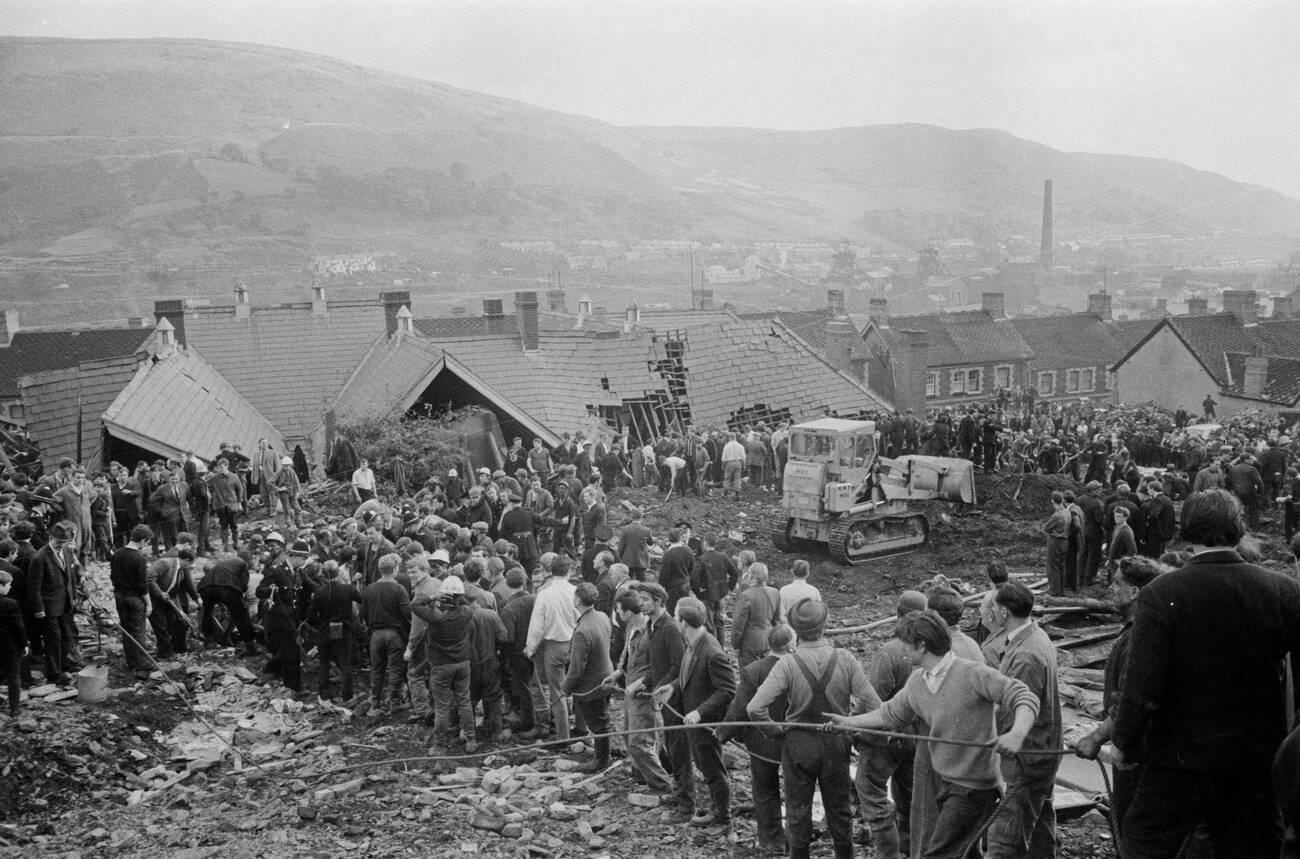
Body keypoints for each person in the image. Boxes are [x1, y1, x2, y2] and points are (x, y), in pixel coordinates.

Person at [1112, 488, 1300, 858]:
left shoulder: (1162, 592)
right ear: (1239, 529)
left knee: (1145, 844)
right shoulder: (1282, 590)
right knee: (1252, 848)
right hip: (1254, 760)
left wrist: (1125, 743)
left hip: (1178, 758)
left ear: (1188, 529)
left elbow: (1143, 687)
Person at [828, 610, 1040, 859]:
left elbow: (1024, 696)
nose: (902, 650)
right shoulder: (918, 681)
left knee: (939, 853)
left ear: (922, 646)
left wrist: (1017, 733)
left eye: (906, 645)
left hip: (974, 788)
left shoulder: (972, 673)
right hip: (945, 782)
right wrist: (848, 722)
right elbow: (889, 714)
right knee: (966, 851)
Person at [748, 598, 881, 859]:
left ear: (796, 630)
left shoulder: (787, 663)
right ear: (826, 624)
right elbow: (874, 702)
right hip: (835, 743)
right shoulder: (845, 659)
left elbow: (754, 708)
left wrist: (776, 732)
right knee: (839, 809)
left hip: (798, 744)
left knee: (797, 810)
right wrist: (851, 722)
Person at [1073, 555, 1165, 839]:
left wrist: (1095, 738)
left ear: (1135, 591)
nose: (1110, 590)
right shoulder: (1139, 632)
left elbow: (1128, 699)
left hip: (1136, 754)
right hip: (1135, 749)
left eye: (1116, 584)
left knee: (1133, 832)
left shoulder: (1140, 638)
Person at [983, 581, 1062, 859]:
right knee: (1039, 825)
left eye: (993, 606)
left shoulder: (1026, 654)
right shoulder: (1034, 636)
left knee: (1004, 837)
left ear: (1004, 612)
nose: (991, 611)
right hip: (1042, 751)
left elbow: (1014, 710)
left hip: (1027, 755)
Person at [653, 597, 735, 833]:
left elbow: (728, 690)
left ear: (684, 622)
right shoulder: (692, 643)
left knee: (712, 769)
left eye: (676, 617)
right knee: (704, 765)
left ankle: (723, 817)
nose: (674, 620)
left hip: (706, 723)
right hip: (694, 721)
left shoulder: (711, 650)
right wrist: (673, 687)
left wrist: (700, 712)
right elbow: (688, 676)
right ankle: (716, 810)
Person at [856, 590, 927, 859]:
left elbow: (871, 697)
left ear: (898, 615)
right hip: (915, 736)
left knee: (870, 788)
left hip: (887, 735)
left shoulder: (890, 652)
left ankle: (888, 852)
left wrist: (858, 733)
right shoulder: (931, 648)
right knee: (908, 794)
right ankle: (910, 846)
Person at [719, 623, 793, 856]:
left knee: (764, 789)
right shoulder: (799, 667)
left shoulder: (753, 670)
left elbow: (740, 708)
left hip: (762, 741)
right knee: (797, 789)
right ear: (790, 644)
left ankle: (771, 840)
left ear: (768, 645)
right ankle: (797, 838)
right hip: (794, 740)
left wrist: (722, 734)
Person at [603, 586, 674, 792]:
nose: (617, 614)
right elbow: (627, 657)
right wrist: (617, 674)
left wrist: (643, 682)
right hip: (630, 690)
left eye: (619, 610)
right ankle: (647, 772)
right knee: (629, 734)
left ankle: (662, 784)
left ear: (629, 611)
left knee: (639, 741)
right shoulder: (630, 628)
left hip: (644, 693)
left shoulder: (651, 631)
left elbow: (659, 665)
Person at [525, 556, 578, 744]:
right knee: (574, 686)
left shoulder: (545, 594)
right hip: (575, 642)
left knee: (557, 691)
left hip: (555, 644)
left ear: (550, 571)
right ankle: (579, 727)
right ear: (569, 571)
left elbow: (537, 625)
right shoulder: (575, 591)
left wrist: (530, 647)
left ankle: (563, 737)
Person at [563, 581, 613, 772]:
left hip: (591, 685)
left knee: (598, 724)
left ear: (577, 600)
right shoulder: (602, 617)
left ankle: (600, 760)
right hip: (606, 675)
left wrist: (565, 689)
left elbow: (576, 669)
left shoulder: (582, 631)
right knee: (603, 719)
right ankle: (603, 754)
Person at [25, 521, 82, 684]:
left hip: (65, 603)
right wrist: (38, 609)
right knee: (53, 640)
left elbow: (70, 576)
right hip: (48, 607)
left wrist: (75, 593)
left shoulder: (68, 551)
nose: (61, 546)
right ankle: (54, 672)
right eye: (58, 542)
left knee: (67, 636)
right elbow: (33, 587)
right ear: (51, 538)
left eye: (64, 543)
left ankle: (65, 663)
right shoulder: (39, 558)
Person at [305, 560, 362, 703]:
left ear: (323, 574)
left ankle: (324, 694)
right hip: (344, 629)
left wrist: (319, 624)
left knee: (324, 662)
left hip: (325, 630)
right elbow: (362, 600)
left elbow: (311, 616)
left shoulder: (319, 592)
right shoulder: (348, 589)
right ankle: (347, 695)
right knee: (345, 663)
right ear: (338, 573)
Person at [256, 533, 303, 692]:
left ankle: (287, 683)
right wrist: (271, 590)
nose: (304, 563)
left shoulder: (295, 572)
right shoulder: (276, 570)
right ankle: (292, 688)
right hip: (279, 620)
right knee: (290, 654)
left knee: (291, 653)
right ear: (295, 557)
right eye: (303, 559)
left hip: (291, 618)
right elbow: (260, 591)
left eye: (274, 544)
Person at [110, 524, 153, 679]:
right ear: (142, 540)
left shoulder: (117, 554)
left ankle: (132, 662)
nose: (146, 546)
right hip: (134, 598)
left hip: (119, 596)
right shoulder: (139, 558)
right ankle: (142, 666)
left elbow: (112, 577)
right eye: (147, 542)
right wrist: (149, 603)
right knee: (138, 631)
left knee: (126, 630)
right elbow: (142, 585)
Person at [197, 550, 258, 655]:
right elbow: (243, 586)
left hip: (205, 586)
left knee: (207, 613)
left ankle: (209, 641)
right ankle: (250, 646)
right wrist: (240, 601)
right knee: (240, 615)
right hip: (225, 587)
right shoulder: (243, 564)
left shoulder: (224, 563)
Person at [147, 548, 199, 659]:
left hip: (169, 600)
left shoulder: (181, 569)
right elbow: (149, 577)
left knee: (178, 622)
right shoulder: (164, 563)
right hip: (154, 600)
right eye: (191, 563)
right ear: (185, 560)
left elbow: (187, 585)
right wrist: (160, 592)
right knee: (161, 626)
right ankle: (165, 653)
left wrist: (196, 599)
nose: (191, 566)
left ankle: (178, 649)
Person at [731, 562, 781, 667]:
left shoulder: (746, 595)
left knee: (748, 677)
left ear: (751, 576)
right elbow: (777, 620)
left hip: (750, 643)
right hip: (768, 640)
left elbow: (738, 624)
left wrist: (735, 645)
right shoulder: (775, 592)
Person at [0, 567, 26, 719]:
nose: (10, 587)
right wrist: (24, 644)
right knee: (14, 677)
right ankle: (14, 708)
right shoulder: (11, 604)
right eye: (8, 585)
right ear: (1, 586)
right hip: (10, 646)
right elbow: (18, 627)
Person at [1041, 490, 1071, 596]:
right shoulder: (1067, 512)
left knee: (1052, 566)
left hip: (1056, 542)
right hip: (1065, 541)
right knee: (1061, 566)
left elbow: (1045, 527)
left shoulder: (1057, 515)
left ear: (1054, 502)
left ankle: (1054, 590)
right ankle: (1061, 589)